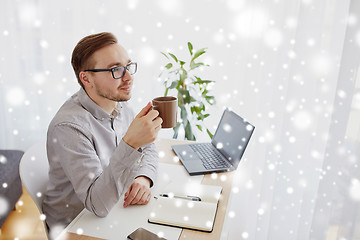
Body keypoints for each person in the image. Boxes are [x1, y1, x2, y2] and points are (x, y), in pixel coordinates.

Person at [42, 32, 162, 234]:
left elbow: (148, 146)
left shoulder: (119, 103)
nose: (128, 77)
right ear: (86, 78)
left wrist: (144, 178)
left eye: (128, 66)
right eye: (115, 69)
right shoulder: (69, 127)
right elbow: (97, 205)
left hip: (115, 206)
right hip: (77, 226)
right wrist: (130, 144)